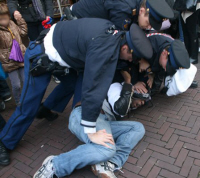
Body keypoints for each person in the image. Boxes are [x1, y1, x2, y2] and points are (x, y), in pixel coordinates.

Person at [0, 20, 153, 166]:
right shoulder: (105, 49)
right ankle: (5, 142)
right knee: (28, 106)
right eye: (130, 58)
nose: (129, 61)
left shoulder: (115, 34)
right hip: (41, 56)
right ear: (125, 48)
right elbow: (93, 88)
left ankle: (45, 108)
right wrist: (90, 131)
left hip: (61, 57)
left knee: (72, 84)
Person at [33, 99, 145, 178]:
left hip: (103, 120)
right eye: (142, 98)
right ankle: (55, 165)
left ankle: (108, 163)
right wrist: (129, 81)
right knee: (107, 148)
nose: (142, 103)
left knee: (138, 127)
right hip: (85, 114)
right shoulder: (119, 85)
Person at [66, 0, 174, 30]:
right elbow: (117, 37)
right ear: (141, 11)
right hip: (77, 20)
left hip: (88, 20)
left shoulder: (137, 5)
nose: (149, 27)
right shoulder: (125, 9)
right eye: (149, 23)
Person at [0, 3, 27, 105]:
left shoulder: (12, 24)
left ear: (8, 16)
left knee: (25, 81)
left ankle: (26, 99)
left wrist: (20, 20)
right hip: (9, 61)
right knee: (16, 85)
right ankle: (18, 102)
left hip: (20, 57)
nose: (3, 22)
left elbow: (23, 32)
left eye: (5, 18)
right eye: (0, 19)